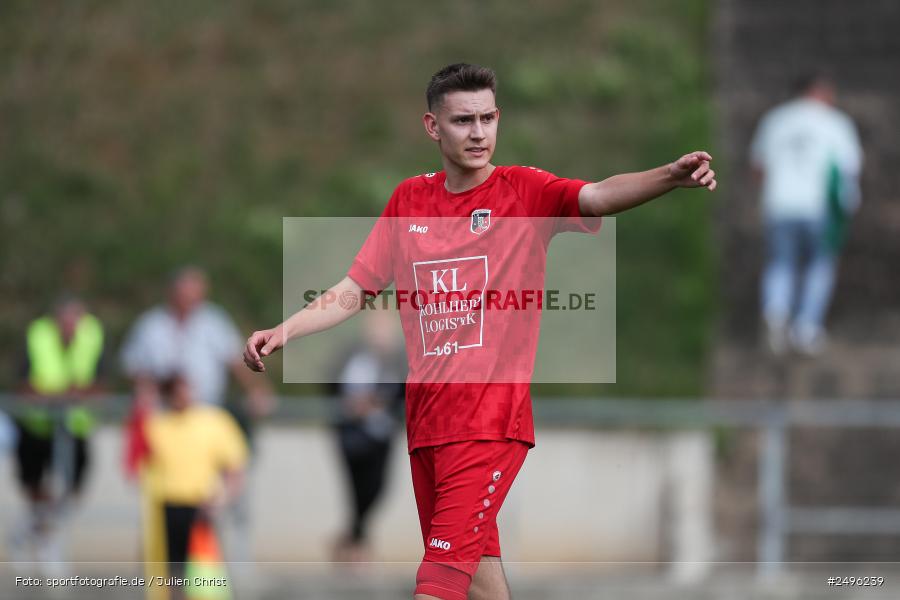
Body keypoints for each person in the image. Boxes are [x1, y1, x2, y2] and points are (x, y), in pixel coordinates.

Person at [244, 63, 716, 600]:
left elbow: (600, 195)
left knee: (437, 583)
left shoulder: (525, 192)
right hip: (426, 423)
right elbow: (356, 287)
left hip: (488, 422)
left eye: (488, 118)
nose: (479, 132)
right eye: (463, 120)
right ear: (432, 126)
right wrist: (285, 330)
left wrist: (669, 177)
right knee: (482, 581)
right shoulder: (409, 201)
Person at [120, 266, 273, 566]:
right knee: (160, 504)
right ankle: (157, 569)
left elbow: (235, 362)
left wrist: (257, 389)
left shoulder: (213, 322)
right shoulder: (151, 326)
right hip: (165, 422)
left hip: (204, 421)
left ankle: (206, 567)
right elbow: (136, 369)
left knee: (209, 500)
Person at [750, 73, 863, 355]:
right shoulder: (836, 122)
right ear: (821, 92)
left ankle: (776, 311)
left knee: (780, 262)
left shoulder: (775, 120)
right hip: (819, 206)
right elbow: (849, 168)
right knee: (821, 264)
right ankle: (806, 328)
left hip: (780, 204)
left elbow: (758, 168)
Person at [9, 295, 106, 569]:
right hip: (37, 424)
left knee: (75, 482)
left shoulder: (92, 335)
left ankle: (40, 532)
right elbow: (22, 382)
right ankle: (42, 535)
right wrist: (47, 395)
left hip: (75, 424)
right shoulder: (38, 335)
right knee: (34, 482)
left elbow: (100, 381)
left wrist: (78, 393)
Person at [138, 373, 247, 600]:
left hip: (201, 508)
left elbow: (235, 466)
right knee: (169, 574)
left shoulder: (214, 421)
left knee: (204, 574)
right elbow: (137, 461)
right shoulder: (156, 424)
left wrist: (223, 498)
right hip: (166, 506)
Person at [327, 308, 405, 564]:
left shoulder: (397, 361)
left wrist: (378, 403)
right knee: (356, 490)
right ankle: (356, 545)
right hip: (351, 433)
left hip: (381, 433)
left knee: (378, 488)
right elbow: (331, 384)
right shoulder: (350, 355)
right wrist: (350, 405)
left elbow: (402, 395)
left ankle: (352, 537)